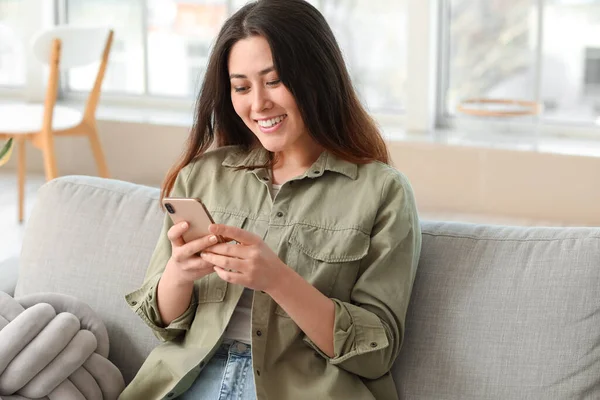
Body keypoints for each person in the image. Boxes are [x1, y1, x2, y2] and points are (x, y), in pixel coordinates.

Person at [119, 0, 421, 399]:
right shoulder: (202, 176)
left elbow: (375, 352)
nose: (257, 104)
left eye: (274, 81)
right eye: (241, 87)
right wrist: (179, 272)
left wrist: (278, 280)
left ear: (317, 77)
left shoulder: (383, 192)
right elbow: (162, 323)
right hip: (189, 380)